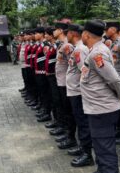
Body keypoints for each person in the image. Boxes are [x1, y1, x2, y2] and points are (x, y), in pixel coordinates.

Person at [80, 20, 120, 173]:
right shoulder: (96, 50)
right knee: (100, 145)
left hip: (102, 109)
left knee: (105, 148)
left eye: (83, 33)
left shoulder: (97, 53)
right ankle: (102, 169)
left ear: (86, 34)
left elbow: (114, 79)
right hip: (97, 108)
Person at [65, 24, 94, 167]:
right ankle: (83, 148)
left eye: (67, 33)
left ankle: (87, 154)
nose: (66, 36)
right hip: (74, 91)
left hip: (78, 92)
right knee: (80, 122)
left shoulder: (80, 49)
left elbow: (85, 72)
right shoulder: (77, 49)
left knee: (83, 124)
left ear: (72, 34)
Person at [51, 22, 77, 150]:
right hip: (61, 82)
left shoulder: (67, 45)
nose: (53, 32)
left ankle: (71, 137)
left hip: (67, 83)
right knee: (65, 110)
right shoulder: (62, 44)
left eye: (55, 29)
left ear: (60, 30)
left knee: (69, 112)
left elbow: (72, 65)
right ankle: (67, 133)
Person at [33, 27, 52, 122]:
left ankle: (47, 113)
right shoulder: (41, 44)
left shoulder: (45, 44)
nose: (35, 35)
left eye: (36, 33)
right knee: (42, 92)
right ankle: (44, 110)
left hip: (44, 73)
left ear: (41, 34)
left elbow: (47, 59)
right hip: (39, 72)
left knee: (45, 93)